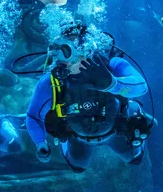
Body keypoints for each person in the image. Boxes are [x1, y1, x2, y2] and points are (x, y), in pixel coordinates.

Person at [26, 23, 155, 173]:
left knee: (135, 159)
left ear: (85, 49)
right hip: (79, 138)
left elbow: (141, 87)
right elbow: (33, 116)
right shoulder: (51, 82)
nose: (61, 60)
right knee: (78, 167)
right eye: (58, 51)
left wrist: (113, 84)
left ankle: (134, 110)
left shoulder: (111, 65)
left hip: (116, 130)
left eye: (67, 50)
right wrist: (40, 143)